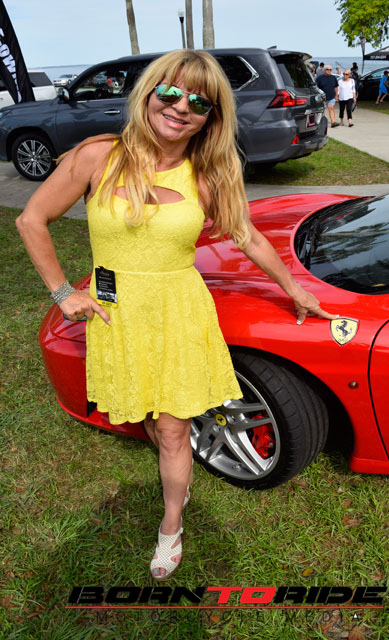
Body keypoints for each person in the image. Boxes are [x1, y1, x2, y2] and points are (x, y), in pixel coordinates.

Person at [15, 50, 338, 581]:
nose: (181, 107)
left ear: (210, 117)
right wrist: (61, 292)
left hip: (178, 311)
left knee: (171, 428)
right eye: (169, 92)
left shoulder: (208, 174)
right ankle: (176, 477)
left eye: (199, 102)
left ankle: (171, 522)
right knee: (144, 412)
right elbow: (32, 220)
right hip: (118, 313)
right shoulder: (98, 156)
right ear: (148, 95)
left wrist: (293, 289)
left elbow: (249, 236)